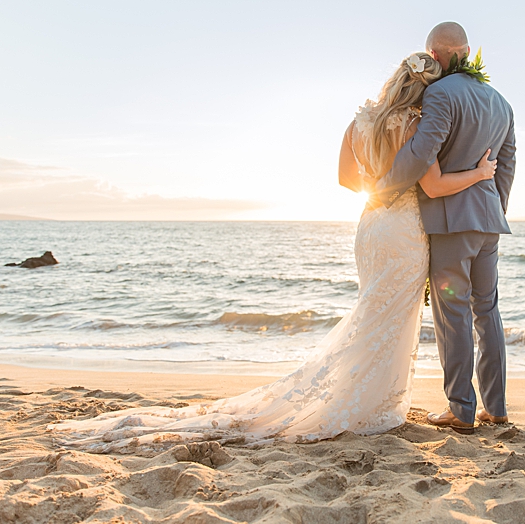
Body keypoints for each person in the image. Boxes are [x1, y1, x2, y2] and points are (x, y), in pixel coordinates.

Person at [48, 49, 497, 450]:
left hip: (371, 226)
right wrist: (480, 175)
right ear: (422, 89)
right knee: (388, 317)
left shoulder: (358, 123)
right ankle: (375, 402)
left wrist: (378, 192)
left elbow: (345, 180)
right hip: (403, 231)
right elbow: (434, 185)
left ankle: (363, 396)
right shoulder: (414, 125)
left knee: (371, 310)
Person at [370, 22, 516, 434]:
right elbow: (506, 166)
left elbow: (420, 154)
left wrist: (381, 190)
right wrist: (493, 209)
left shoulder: (439, 94)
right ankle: (497, 406)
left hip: (451, 220)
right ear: (467, 53)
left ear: (434, 55)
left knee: (453, 314)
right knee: (487, 310)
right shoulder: (502, 102)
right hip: (489, 220)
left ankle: (461, 409)